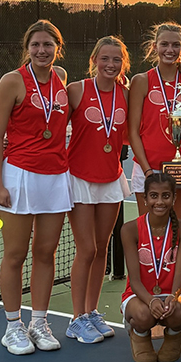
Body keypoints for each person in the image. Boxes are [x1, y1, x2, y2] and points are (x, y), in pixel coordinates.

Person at [0, 19, 70, 355]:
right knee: (15, 254)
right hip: (19, 176)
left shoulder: (61, 78)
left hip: (56, 178)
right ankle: (13, 326)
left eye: (48, 45)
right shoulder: (12, 81)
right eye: (36, 45)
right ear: (27, 48)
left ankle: (38, 321)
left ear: (57, 48)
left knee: (46, 253)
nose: (41, 51)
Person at [64, 36, 131, 343]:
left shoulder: (126, 95)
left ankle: (91, 312)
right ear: (93, 60)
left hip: (111, 178)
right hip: (79, 179)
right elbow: (46, 122)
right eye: (105, 59)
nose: (110, 65)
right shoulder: (76, 91)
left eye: (116, 60)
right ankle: (76, 318)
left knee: (102, 247)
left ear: (123, 64)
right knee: (86, 249)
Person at [128, 22, 181, 222]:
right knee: (150, 234)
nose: (170, 50)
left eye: (175, 45)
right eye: (164, 44)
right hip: (150, 169)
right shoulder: (141, 80)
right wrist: (147, 172)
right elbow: (133, 132)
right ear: (155, 46)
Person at [120, 173, 181, 362]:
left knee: (177, 311)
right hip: (140, 296)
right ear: (145, 198)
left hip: (172, 293)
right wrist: (151, 301)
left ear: (174, 198)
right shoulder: (129, 229)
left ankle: (175, 334)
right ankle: (139, 334)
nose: (159, 202)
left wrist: (174, 296)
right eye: (153, 196)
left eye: (166, 196)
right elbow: (134, 280)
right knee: (143, 315)